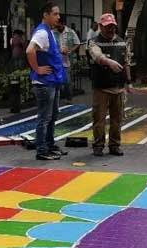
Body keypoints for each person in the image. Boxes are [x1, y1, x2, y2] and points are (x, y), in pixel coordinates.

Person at [26, 2, 68, 161]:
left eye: (58, 14)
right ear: (46, 15)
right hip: (44, 84)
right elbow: (30, 50)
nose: (58, 17)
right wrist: (37, 69)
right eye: (55, 14)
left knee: (52, 115)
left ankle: (49, 144)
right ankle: (42, 149)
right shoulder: (42, 33)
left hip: (52, 82)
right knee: (45, 117)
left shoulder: (48, 32)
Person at [88, 13, 132, 157]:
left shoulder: (122, 42)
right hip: (101, 87)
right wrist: (109, 62)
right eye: (107, 27)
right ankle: (98, 145)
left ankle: (114, 145)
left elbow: (126, 62)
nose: (111, 29)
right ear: (101, 26)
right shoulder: (94, 42)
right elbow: (97, 55)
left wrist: (129, 81)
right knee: (99, 119)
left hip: (118, 87)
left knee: (116, 119)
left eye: (113, 26)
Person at [56, 16, 80, 103]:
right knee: (56, 82)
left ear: (63, 24)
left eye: (58, 25)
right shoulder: (53, 32)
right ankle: (57, 99)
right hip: (56, 61)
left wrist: (70, 50)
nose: (57, 27)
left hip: (67, 61)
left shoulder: (70, 32)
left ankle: (69, 98)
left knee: (67, 81)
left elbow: (77, 43)